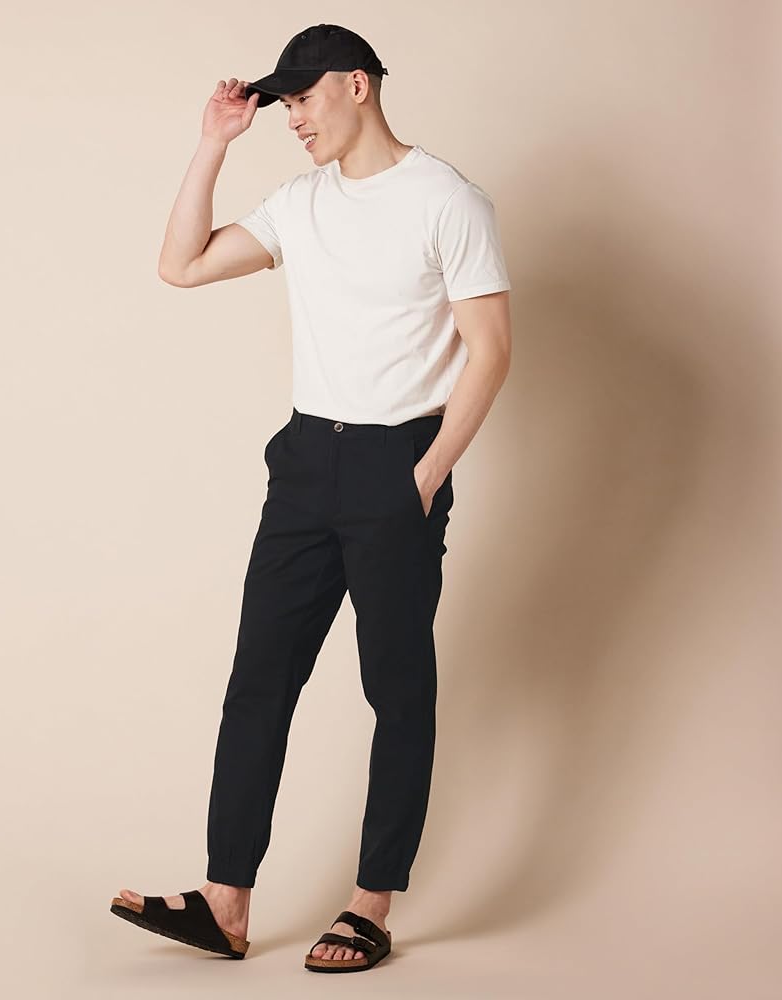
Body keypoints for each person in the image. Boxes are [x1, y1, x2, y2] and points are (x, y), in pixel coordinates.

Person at [110, 23, 512, 973]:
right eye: (282, 102)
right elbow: (181, 264)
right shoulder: (300, 203)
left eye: (302, 98)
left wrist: (424, 476)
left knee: (396, 688)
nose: (291, 117)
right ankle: (226, 902)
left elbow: (491, 351)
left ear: (358, 85)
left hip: (396, 462)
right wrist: (213, 143)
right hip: (304, 463)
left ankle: (372, 903)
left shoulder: (447, 200)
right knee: (259, 679)